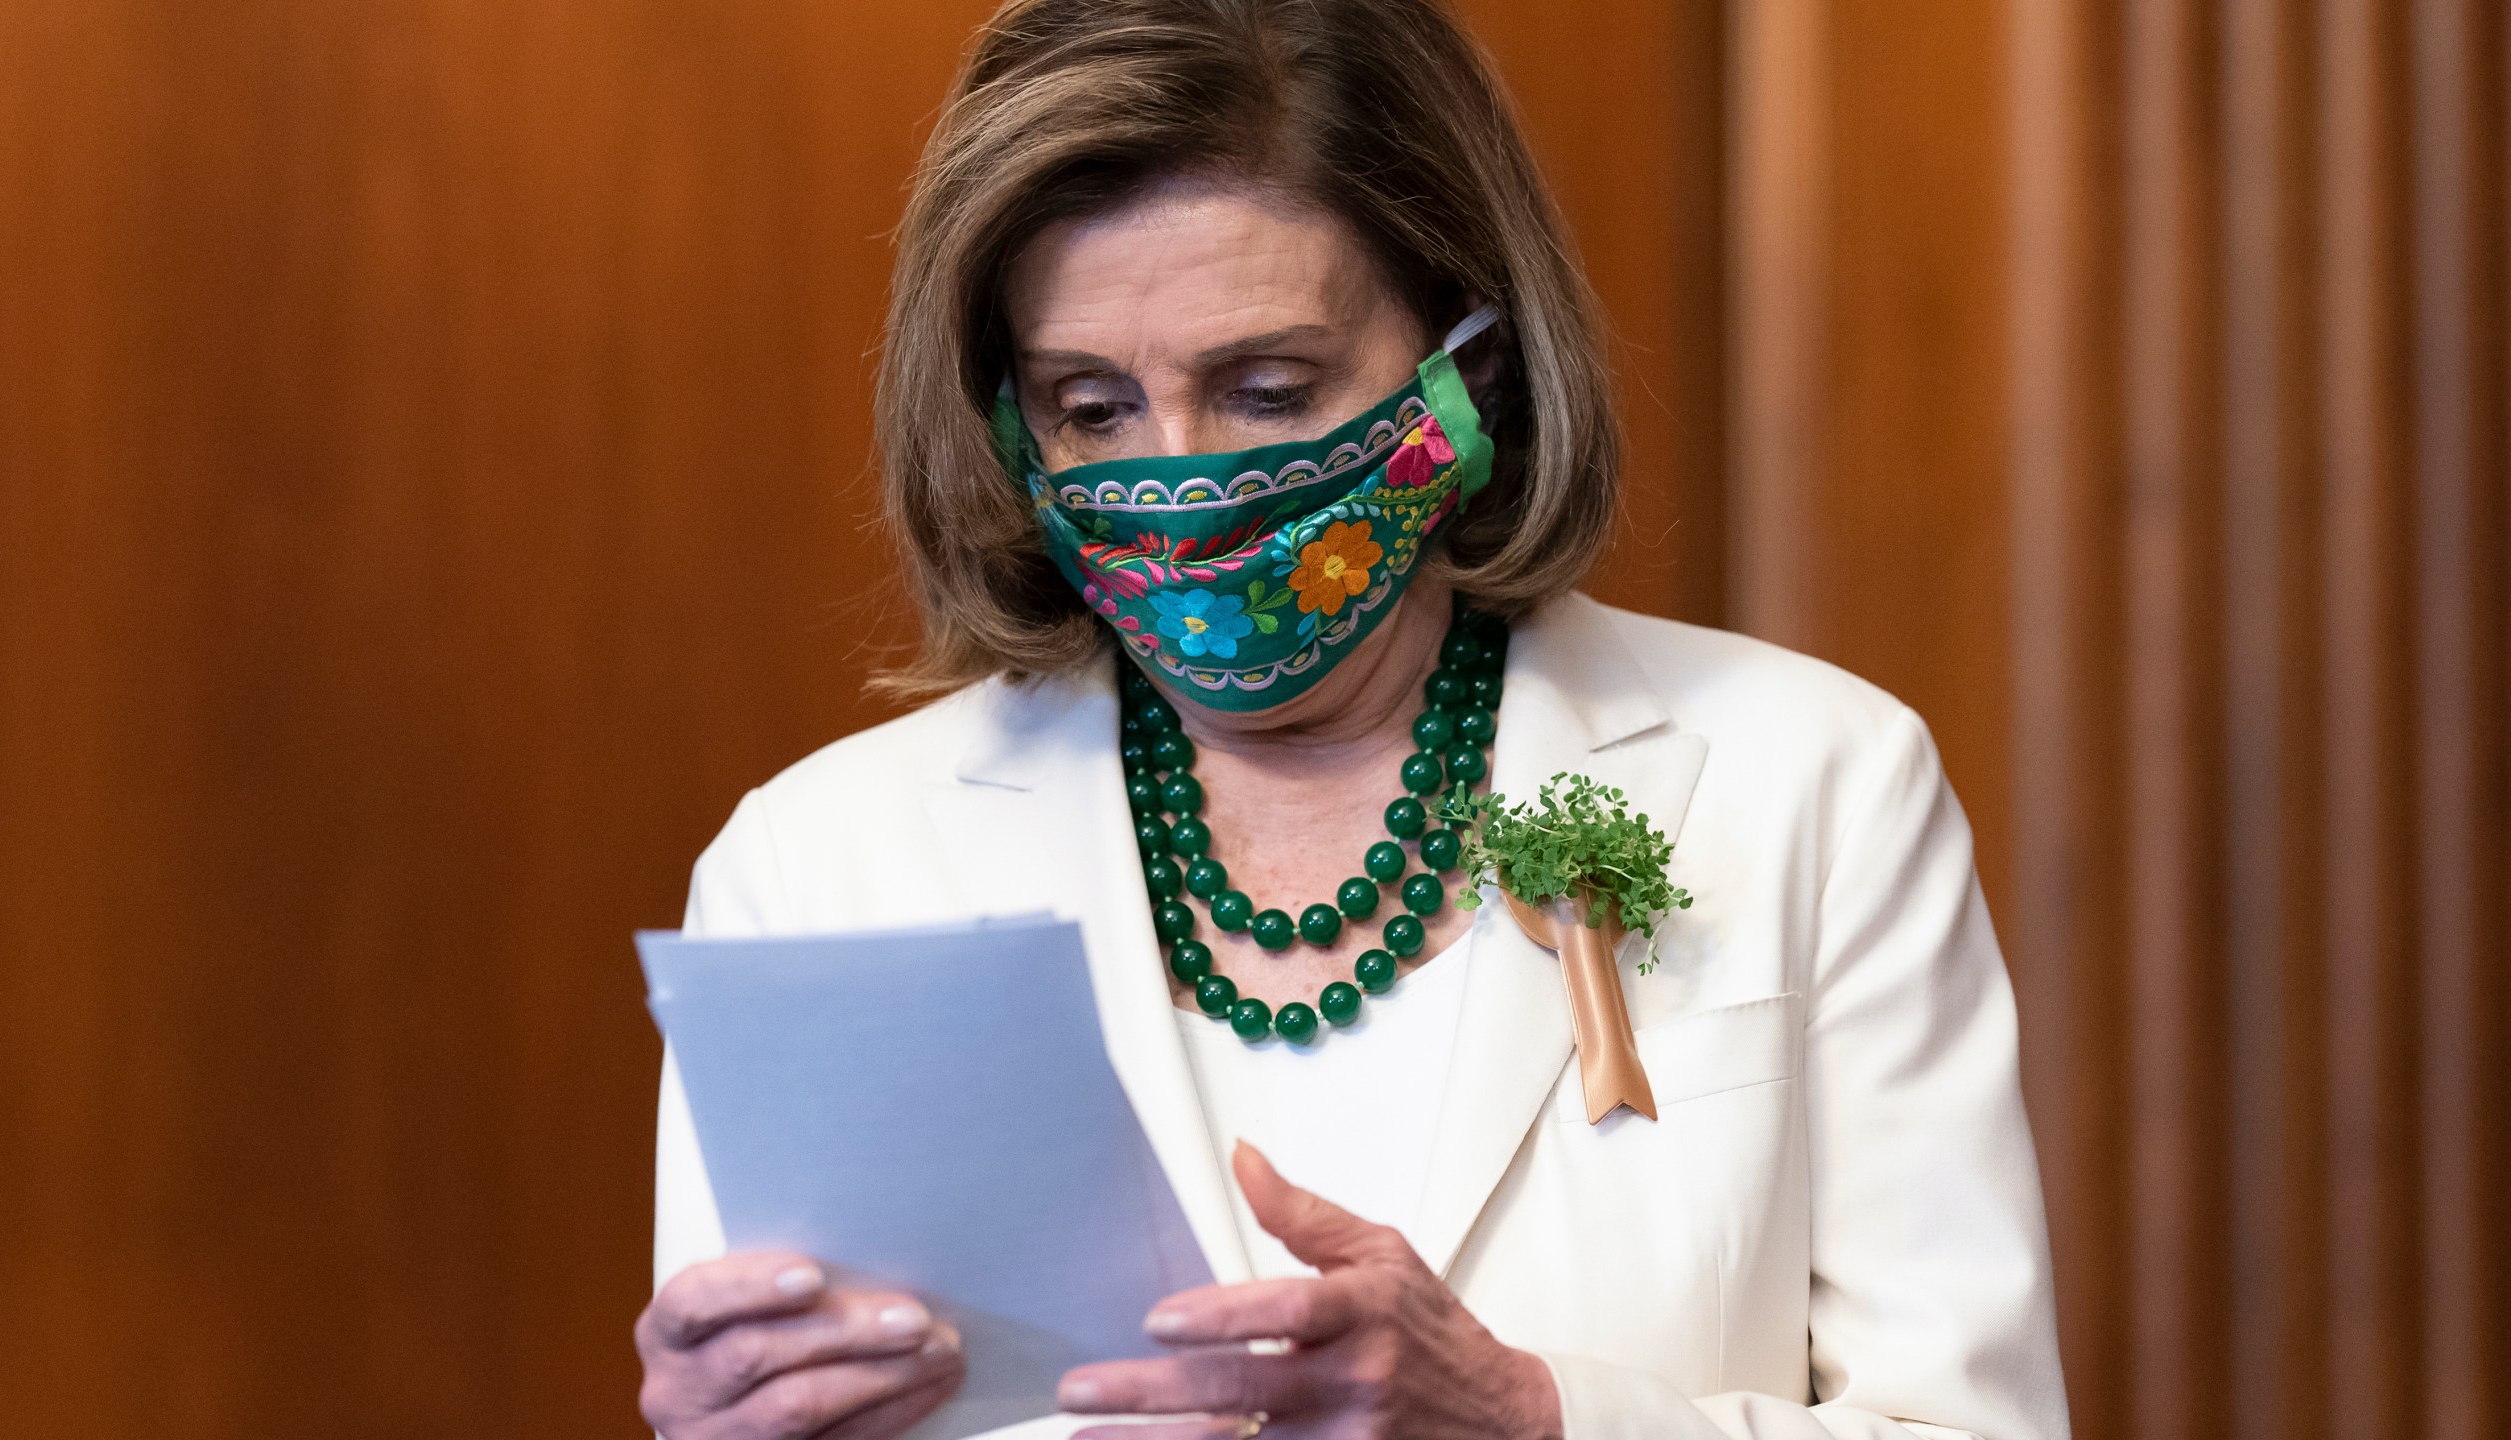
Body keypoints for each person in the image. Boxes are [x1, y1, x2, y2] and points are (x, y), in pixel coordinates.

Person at [632, 1, 2070, 1437]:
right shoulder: (820, 870)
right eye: (1093, 408)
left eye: (1268, 391)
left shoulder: (1818, 783)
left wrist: (1527, 1419)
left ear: (1471, 367)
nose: (1184, 485)